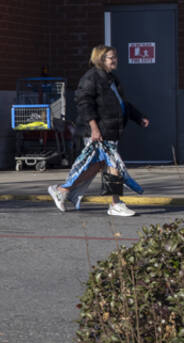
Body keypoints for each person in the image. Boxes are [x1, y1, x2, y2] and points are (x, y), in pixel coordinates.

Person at [49, 44, 149, 217]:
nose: (115, 60)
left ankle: (62, 190)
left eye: (115, 56)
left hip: (109, 131)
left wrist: (138, 117)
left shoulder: (111, 79)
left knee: (96, 166)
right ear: (101, 59)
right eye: (111, 57)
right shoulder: (91, 78)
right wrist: (94, 128)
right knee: (114, 165)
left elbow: (122, 104)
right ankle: (115, 204)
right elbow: (84, 104)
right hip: (98, 132)